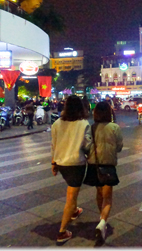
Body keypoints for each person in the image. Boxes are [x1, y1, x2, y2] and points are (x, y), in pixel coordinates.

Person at [51, 95, 92, 243]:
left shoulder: (56, 124)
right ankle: (62, 232)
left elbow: (54, 145)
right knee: (71, 196)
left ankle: (74, 211)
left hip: (62, 164)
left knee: (72, 190)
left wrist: (53, 164)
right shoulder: (83, 124)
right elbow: (87, 146)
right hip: (76, 164)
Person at [83, 101, 123, 242]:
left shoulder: (91, 127)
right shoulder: (115, 128)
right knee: (107, 198)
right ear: (109, 113)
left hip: (94, 165)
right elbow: (119, 147)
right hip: (108, 166)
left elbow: (86, 146)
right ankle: (102, 222)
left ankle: (102, 219)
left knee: (99, 193)